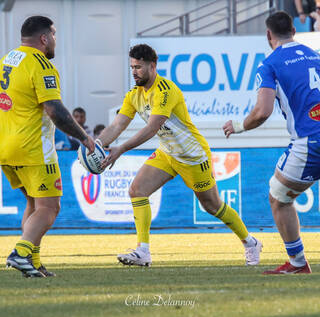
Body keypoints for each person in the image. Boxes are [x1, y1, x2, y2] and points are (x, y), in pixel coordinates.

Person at [97, 44, 262, 267]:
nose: (134, 72)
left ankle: (251, 242)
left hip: (193, 156)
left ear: (152, 66)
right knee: (137, 190)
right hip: (168, 152)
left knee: (212, 206)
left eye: (138, 67)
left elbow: (152, 128)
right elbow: (117, 125)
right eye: (132, 67)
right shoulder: (133, 95)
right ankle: (143, 251)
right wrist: (96, 144)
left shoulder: (166, 90)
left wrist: (121, 148)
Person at [223, 11, 320, 274]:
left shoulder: (270, 64)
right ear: (294, 31)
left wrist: (239, 126)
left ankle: (298, 263)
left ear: (269, 35)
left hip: (310, 141)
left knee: (278, 198)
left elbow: (262, 111)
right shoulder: (316, 56)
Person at [1, 16, 95, 277]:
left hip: (7, 148)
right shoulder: (41, 65)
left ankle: (33, 262)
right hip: (33, 148)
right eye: (53, 35)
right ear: (44, 38)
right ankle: (20, 253)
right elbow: (55, 111)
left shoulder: (7, 60)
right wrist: (84, 138)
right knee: (50, 208)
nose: (55, 41)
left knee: (33, 205)